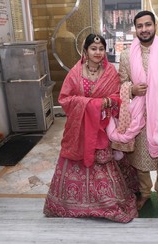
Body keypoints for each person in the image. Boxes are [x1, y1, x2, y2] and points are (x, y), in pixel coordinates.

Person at [43, 34, 138, 223]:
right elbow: (65, 99)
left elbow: (118, 96)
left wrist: (108, 102)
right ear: (85, 50)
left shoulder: (111, 72)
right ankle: (69, 204)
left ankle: (106, 204)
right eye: (93, 49)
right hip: (79, 130)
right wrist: (92, 104)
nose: (97, 52)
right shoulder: (75, 73)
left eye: (101, 49)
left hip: (101, 129)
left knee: (104, 167)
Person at [107, 11, 158, 214]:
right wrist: (131, 90)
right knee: (140, 161)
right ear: (135, 29)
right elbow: (121, 84)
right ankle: (144, 192)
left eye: (147, 25)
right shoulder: (126, 55)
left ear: (155, 26)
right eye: (140, 26)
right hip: (139, 118)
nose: (144, 29)